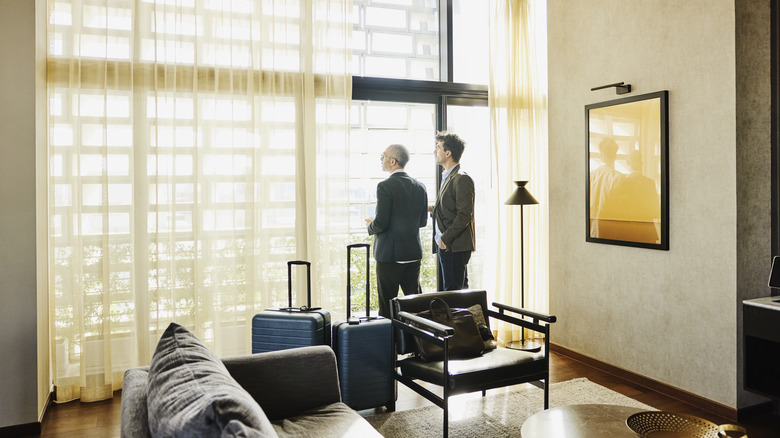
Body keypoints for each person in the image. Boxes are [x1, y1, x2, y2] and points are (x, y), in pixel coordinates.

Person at [366, 144, 429, 318]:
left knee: (387, 307)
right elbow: (422, 222)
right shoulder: (420, 186)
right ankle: (417, 344)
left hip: (389, 256)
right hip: (412, 254)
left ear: (393, 161)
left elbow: (382, 223)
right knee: (415, 306)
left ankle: (391, 345)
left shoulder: (385, 186)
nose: (381, 159)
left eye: (383, 156)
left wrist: (370, 226)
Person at [430, 131, 475, 291]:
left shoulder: (461, 178)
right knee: (456, 291)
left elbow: (464, 215)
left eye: (438, 147)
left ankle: (463, 317)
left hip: (454, 245)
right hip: (448, 245)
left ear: (448, 153)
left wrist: (445, 238)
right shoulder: (448, 176)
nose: (434, 151)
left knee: (453, 293)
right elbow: (449, 209)